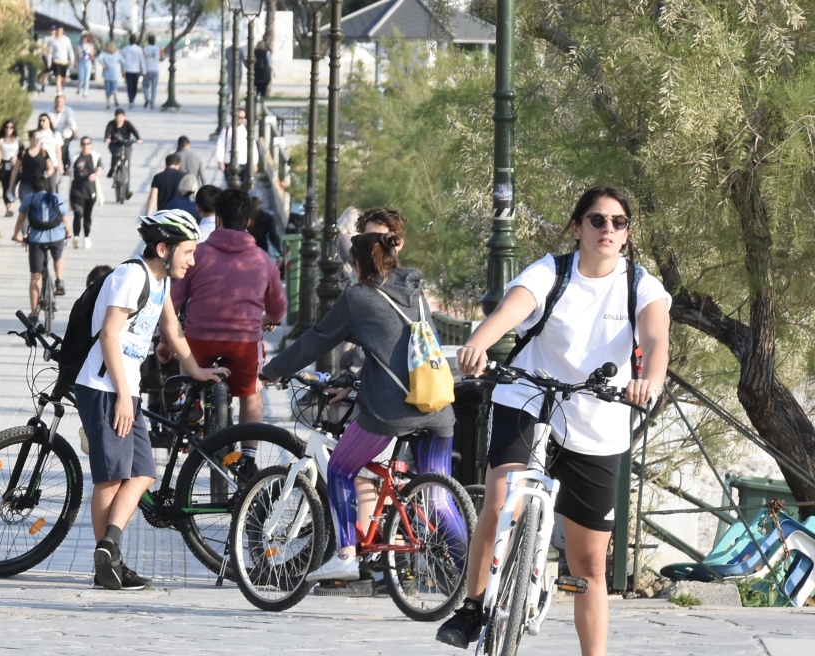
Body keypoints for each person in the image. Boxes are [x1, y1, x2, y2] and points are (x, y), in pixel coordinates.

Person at [435, 186, 671, 655]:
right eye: (597, 220)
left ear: (626, 234)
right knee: (501, 500)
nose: (608, 229)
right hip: (529, 398)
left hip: (598, 419)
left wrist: (651, 378)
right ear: (577, 227)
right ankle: (475, 605)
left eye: (618, 222)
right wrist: (479, 343)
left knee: (590, 565)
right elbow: (510, 311)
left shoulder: (640, 285)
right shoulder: (551, 271)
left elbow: (656, 337)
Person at [261, 226, 456, 582]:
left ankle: (346, 554)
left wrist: (273, 370)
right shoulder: (417, 294)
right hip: (439, 407)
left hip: (391, 412)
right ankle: (472, 572)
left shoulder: (358, 298)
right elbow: (399, 353)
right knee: (439, 498)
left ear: (357, 264)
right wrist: (354, 384)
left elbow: (317, 340)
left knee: (339, 468)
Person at [80, 210, 227, 591]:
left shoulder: (159, 281)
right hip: (105, 389)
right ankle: (107, 566)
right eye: (188, 252)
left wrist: (197, 370)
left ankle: (109, 546)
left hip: (123, 389)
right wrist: (125, 397)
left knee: (144, 472)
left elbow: (172, 329)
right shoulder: (131, 277)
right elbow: (110, 336)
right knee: (111, 479)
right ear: (163, 248)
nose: (191, 260)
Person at [168, 188, 286, 432]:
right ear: (249, 223)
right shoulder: (263, 259)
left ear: (218, 219)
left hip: (200, 341)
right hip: (243, 344)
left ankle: (190, 397)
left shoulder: (197, 254)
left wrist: (165, 341)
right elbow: (278, 308)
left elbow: (173, 300)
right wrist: (268, 319)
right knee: (252, 393)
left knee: (185, 350)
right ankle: (249, 458)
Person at [12, 176, 71, 313]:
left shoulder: (29, 198)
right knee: (58, 257)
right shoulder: (56, 197)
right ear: (47, 187)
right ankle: (59, 280)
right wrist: (68, 231)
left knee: (35, 277)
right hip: (57, 236)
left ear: (32, 188)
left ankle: (33, 313)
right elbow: (64, 216)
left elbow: (21, 219)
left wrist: (16, 234)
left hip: (36, 239)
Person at [70, 135, 103, 250]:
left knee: (87, 215)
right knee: (78, 214)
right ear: (80, 145)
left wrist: (96, 174)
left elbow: (100, 168)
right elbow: (69, 169)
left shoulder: (95, 156)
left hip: (90, 190)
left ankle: (87, 237)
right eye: (83, 144)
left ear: (91, 145)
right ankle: (76, 237)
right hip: (77, 190)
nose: (85, 146)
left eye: (88, 143)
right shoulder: (74, 157)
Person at [10, 130, 57, 203]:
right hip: (25, 185)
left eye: (40, 137)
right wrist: (11, 187)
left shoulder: (44, 152)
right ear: (30, 139)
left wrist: (45, 176)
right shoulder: (23, 153)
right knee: (27, 208)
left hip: (40, 186)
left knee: (38, 209)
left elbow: (51, 168)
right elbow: (15, 170)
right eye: (36, 137)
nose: (38, 140)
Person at [0, 119, 21, 215]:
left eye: (11, 127)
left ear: (14, 129)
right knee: (5, 187)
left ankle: (11, 206)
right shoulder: (0, 141)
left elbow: (22, 151)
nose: (9, 129)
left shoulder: (17, 140)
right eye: (7, 127)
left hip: (15, 165)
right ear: (4, 128)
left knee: (12, 186)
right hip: (4, 165)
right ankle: (8, 205)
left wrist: (17, 158)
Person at [215, 109, 249, 188]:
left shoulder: (247, 130)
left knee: (244, 186)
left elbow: (252, 146)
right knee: (230, 186)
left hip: (243, 163)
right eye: (240, 117)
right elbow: (221, 145)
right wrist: (220, 161)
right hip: (229, 163)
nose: (242, 120)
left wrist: (254, 162)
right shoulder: (226, 130)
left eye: (244, 117)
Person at [32, 113, 64, 188]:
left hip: (53, 162)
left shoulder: (55, 134)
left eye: (43, 120)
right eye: (40, 121)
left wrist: (60, 163)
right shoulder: (37, 134)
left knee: (53, 185)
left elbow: (58, 149)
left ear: (49, 121)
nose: (41, 122)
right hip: (41, 162)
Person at [49, 94, 78, 176]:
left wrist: (75, 133)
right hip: (53, 134)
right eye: (58, 102)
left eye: (61, 102)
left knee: (64, 149)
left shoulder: (68, 111)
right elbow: (47, 120)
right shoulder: (49, 110)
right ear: (55, 102)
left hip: (65, 134)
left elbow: (71, 121)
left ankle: (66, 166)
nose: (59, 104)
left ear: (64, 103)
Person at [47, 24, 74, 94]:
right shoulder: (53, 41)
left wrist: (72, 59)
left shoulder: (66, 40)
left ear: (63, 31)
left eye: (61, 30)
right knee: (58, 76)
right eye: (58, 30)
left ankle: (61, 86)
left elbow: (70, 50)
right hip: (56, 61)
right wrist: (49, 62)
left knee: (64, 77)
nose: (59, 32)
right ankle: (58, 89)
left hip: (64, 61)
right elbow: (50, 52)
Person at [120, 37, 145, 108]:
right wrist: (144, 71)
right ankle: (132, 99)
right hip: (136, 71)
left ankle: (131, 99)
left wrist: (122, 70)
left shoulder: (125, 49)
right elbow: (142, 61)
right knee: (134, 86)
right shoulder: (139, 50)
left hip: (128, 70)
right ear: (135, 41)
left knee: (129, 86)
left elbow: (122, 61)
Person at [98, 40, 123, 109]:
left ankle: (109, 103)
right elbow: (122, 61)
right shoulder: (117, 53)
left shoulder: (104, 52)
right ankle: (115, 96)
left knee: (107, 89)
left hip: (107, 72)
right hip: (115, 72)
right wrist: (123, 69)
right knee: (114, 87)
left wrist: (103, 65)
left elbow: (99, 58)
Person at [142, 35, 163, 109]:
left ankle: (147, 98)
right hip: (156, 69)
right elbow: (162, 58)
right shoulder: (158, 48)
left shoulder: (145, 49)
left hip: (147, 70)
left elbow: (142, 59)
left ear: (148, 41)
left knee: (145, 86)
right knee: (154, 87)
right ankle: (152, 103)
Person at [76, 32, 95, 97]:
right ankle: (79, 87)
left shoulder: (90, 46)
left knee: (87, 78)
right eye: (84, 37)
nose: (85, 39)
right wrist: (75, 62)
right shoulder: (79, 46)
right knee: (81, 77)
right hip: (81, 61)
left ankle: (85, 91)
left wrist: (91, 56)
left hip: (88, 61)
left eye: (86, 37)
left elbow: (92, 54)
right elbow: (76, 54)